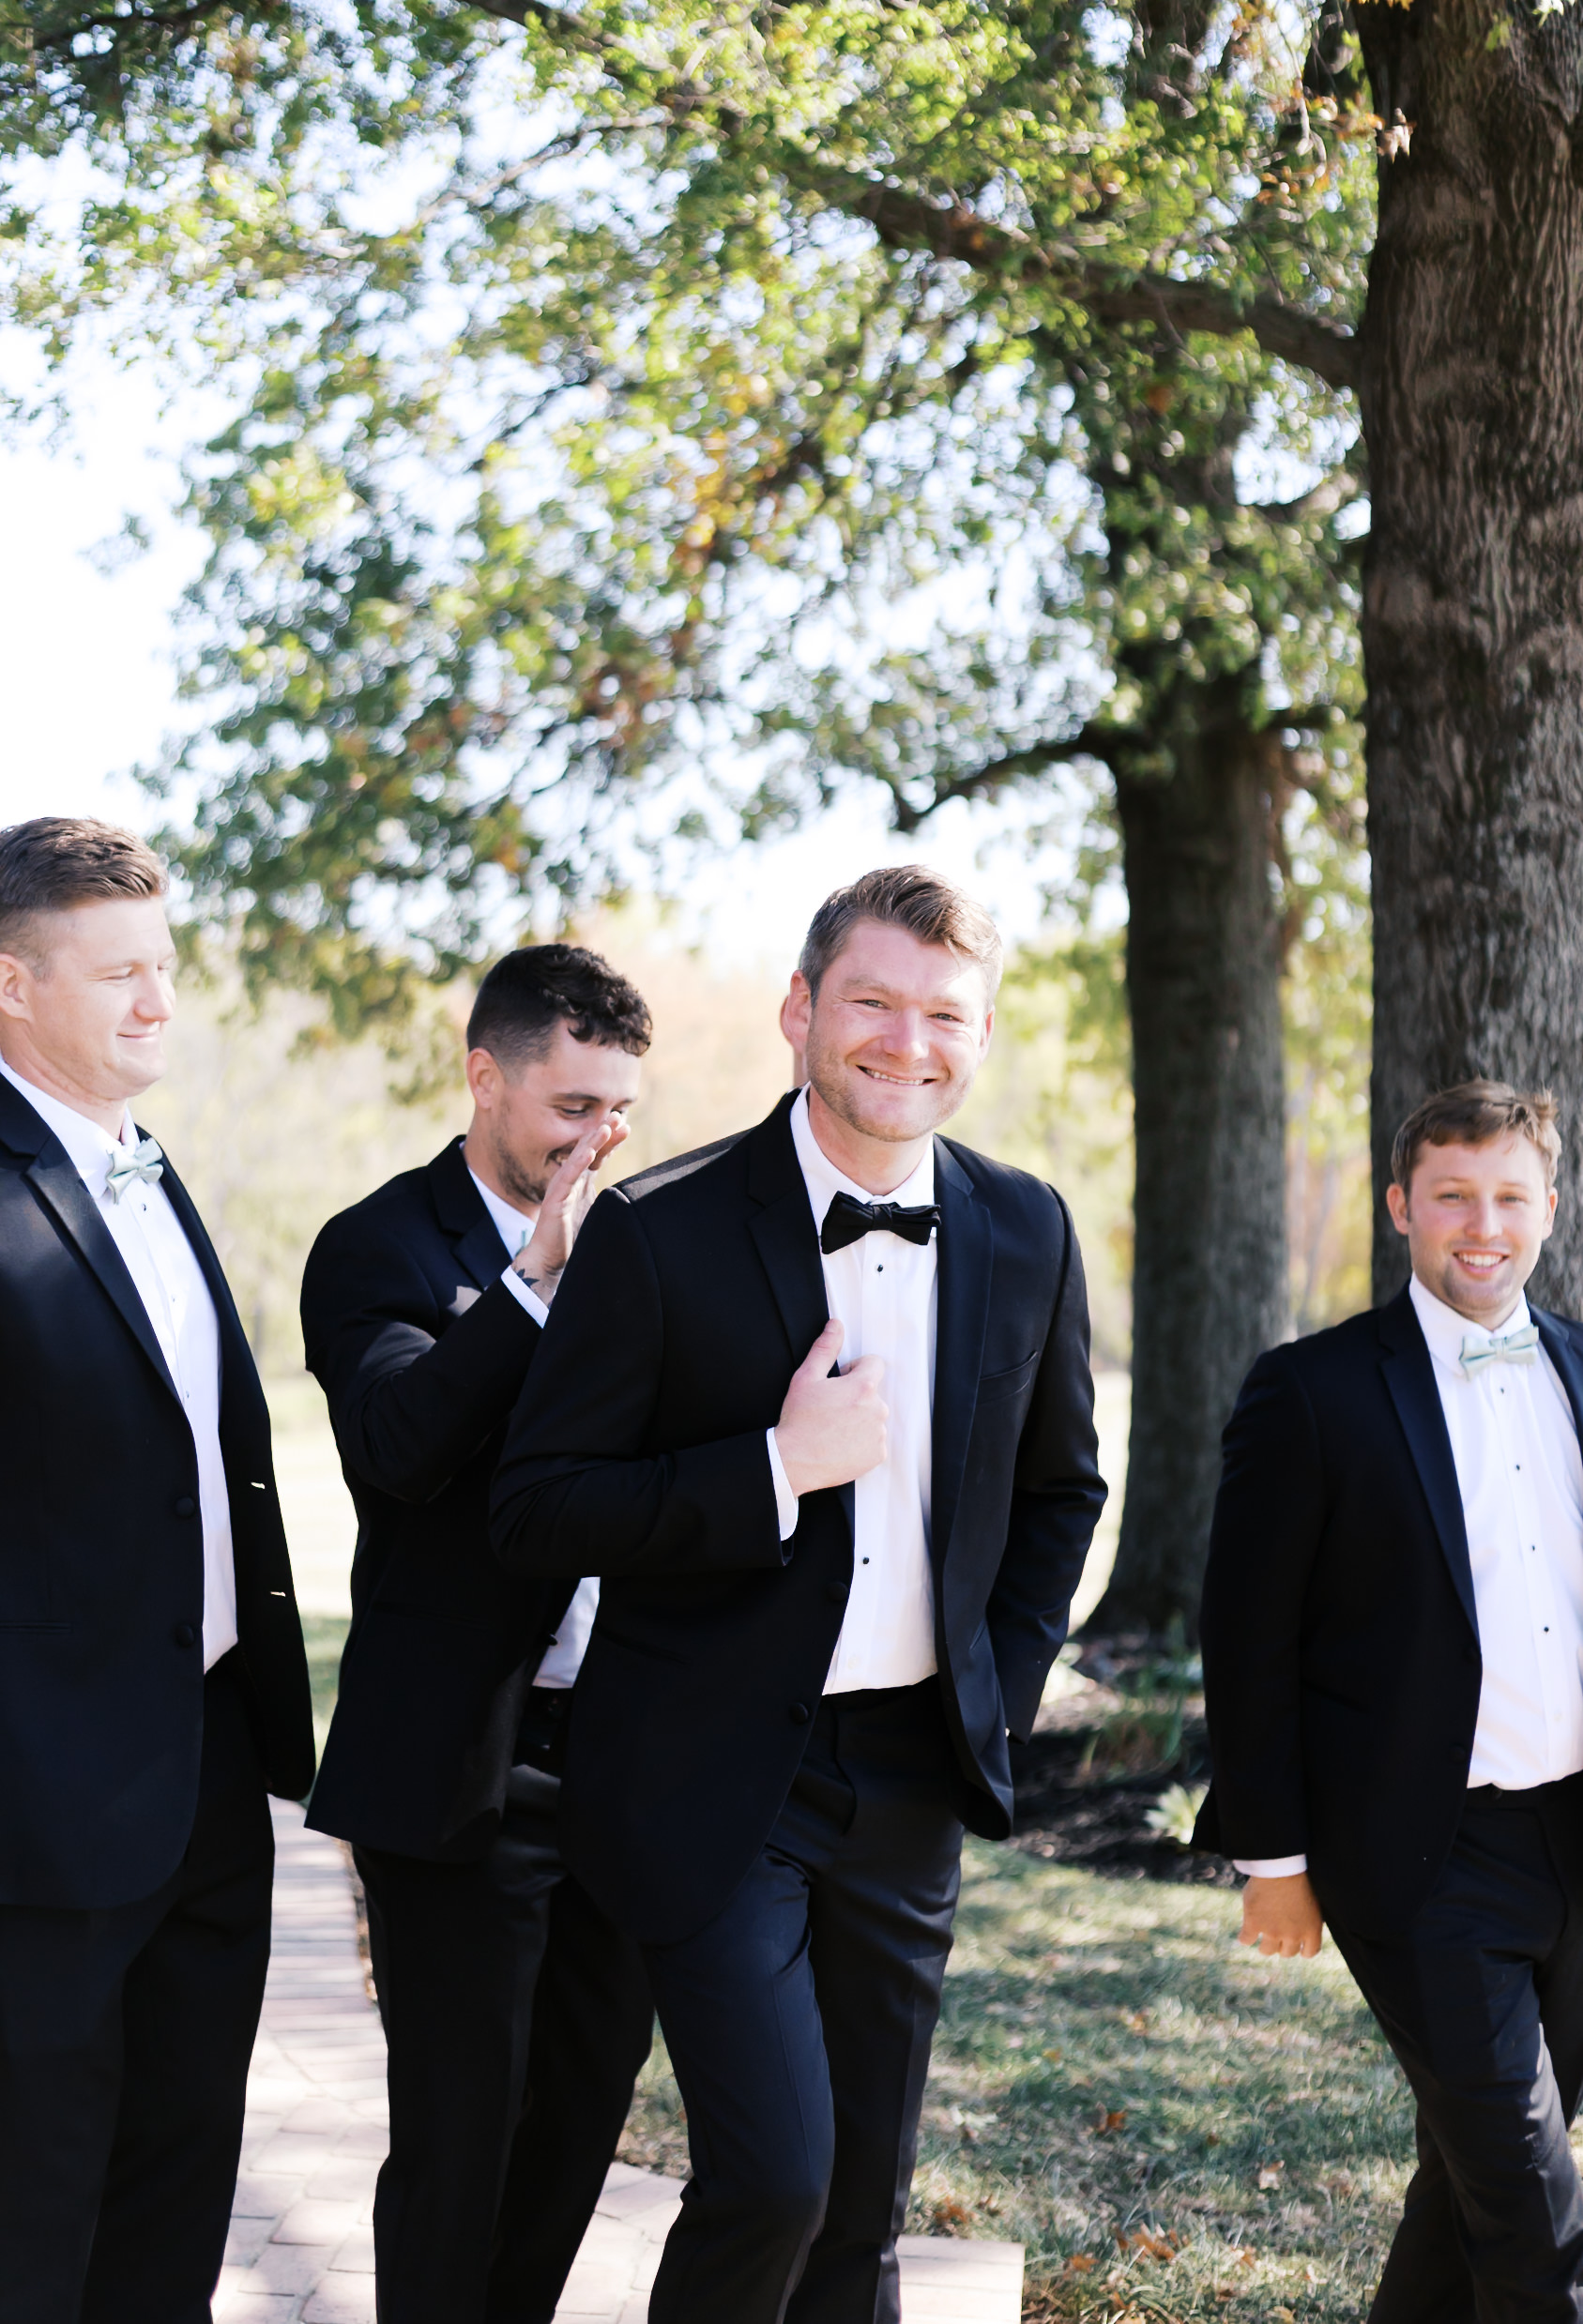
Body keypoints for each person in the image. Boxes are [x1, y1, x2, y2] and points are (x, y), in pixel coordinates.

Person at [491, 864, 1107, 2324]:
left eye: (944, 1013)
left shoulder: (1028, 1229)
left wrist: (989, 1693)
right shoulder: (661, 1223)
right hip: (712, 1777)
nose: (908, 1041)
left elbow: (1060, 1490)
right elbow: (537, 1506)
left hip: (909, 1782)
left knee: (863, 2213)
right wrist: (771, 1467)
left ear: (983, 1031)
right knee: (776, 2174)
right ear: (801, 1009)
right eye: (873, 1002)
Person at [301, 944, 656, 2324]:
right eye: (570, 1106)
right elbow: (397, 1446)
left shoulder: (650, 1246)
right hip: (460, 1765)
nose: (596, 1139)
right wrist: (528, 1287)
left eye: (617, 1111)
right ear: (484, 1073)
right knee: (461, 2136)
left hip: (620, 1755)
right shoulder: (376, 1246)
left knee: (578, 2120)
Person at [1196, 1080, 1583, 2320]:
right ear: (1401, 1205)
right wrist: (1273, 1857)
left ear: (1550, 1208)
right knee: (1535, 2208)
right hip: (1427, 1854)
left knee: (1473, 2178)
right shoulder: (1311, 1391)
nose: (1485, 1222)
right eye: (1454, 1194)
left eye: (1510, 1195)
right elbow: (1246, 1636)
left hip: (1580, 1835)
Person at [0, 817, 314, 2324]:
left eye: (165, 968)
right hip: (36, 1804)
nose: (157, 1003)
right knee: (32, 2202)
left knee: (180, 2174)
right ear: (11, 983)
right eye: (118, 972)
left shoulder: (147, 1166)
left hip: (206, 1771)